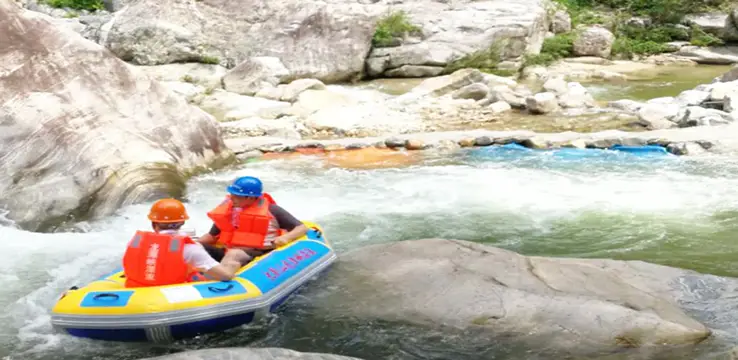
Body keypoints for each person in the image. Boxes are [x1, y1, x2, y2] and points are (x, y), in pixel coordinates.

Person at [122, 198, 250, 288]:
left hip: (137, 293)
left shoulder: (135, 242)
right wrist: (234, 264)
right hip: (173, 296)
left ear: (154, 224)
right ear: (182, 223)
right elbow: (225, 276)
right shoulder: (190, 248)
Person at [197, 176, 308, 263]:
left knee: (234, 254)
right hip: (228, 252)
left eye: (236, 196)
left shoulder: (272, 210)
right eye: (231, 194)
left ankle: (221, 281)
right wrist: (193, 244)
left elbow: (302, 227)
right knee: (197, 247)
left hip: (259, 254)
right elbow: (211, 236)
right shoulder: (229, 210)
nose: (231, 198)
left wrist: (286, 237)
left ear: (250, 197)